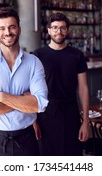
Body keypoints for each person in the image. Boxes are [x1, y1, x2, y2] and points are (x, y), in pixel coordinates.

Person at [0, 6, 48, 156]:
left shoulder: (34, 63)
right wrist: (24, 101)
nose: (7, 32)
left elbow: (40, 104)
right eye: (2, 28)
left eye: (12, 27)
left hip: (26, 139)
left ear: (19, 29)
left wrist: (1, 97)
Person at [34, 12, 89, 156]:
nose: (59, 31)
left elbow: (83, 89)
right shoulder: (37, 55)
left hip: (71, 112)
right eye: (55, 27)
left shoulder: (77, 55)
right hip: (45, 114)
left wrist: (85, 122)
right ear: (49, 30)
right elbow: (31, 91)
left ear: (68, 30)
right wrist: (33, 122)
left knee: (71, 155)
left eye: (63, 28)